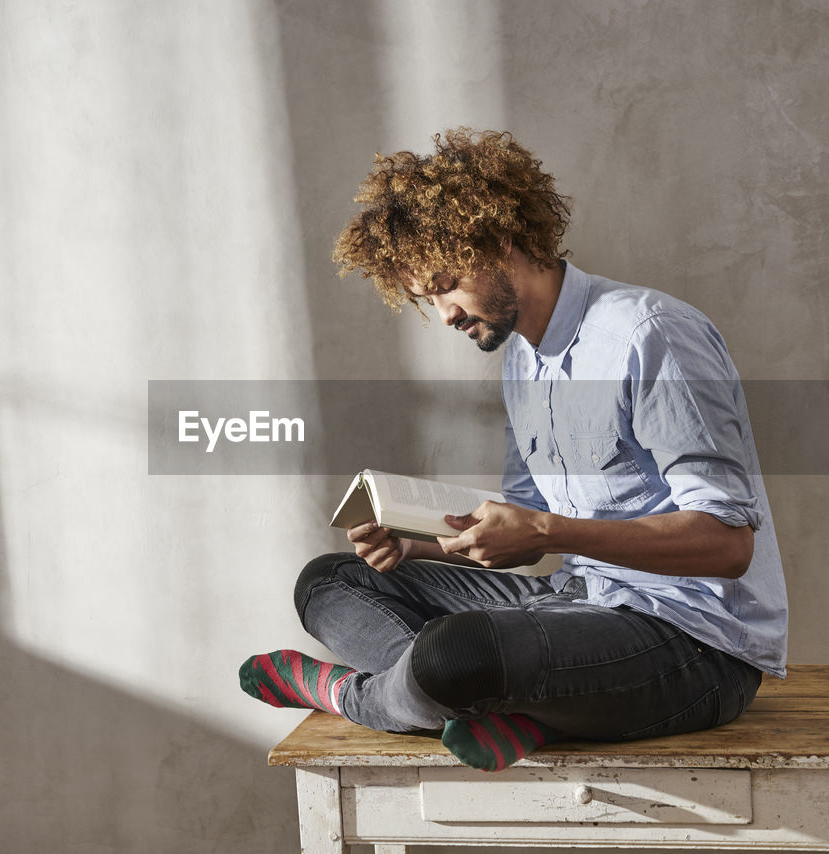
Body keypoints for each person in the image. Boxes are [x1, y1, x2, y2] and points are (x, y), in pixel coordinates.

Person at [239, 129, 788, 772]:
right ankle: (502, 711)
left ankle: (351, 694)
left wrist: (550, 530)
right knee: (332, 581)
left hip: (693, 645)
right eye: (426, 299)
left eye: (446, 285)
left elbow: (727, 543)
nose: (443, 314)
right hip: (578, 598)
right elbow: (523, 523)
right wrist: (423, 543)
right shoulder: (523, 362)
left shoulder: (649, 333)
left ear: (499, 239)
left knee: (456, 653)